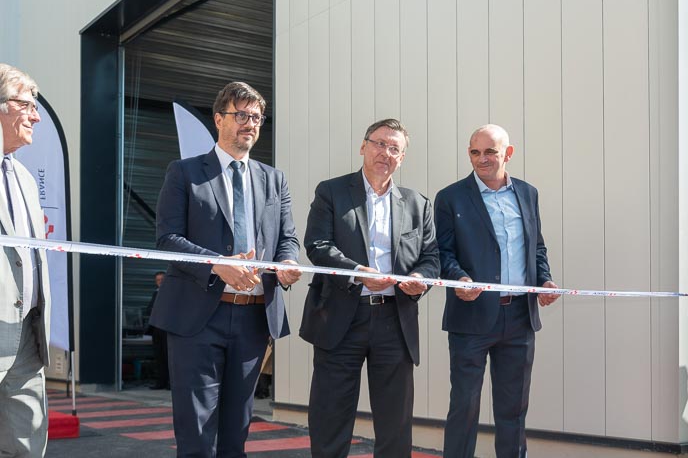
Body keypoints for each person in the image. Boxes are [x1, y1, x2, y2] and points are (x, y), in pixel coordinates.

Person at [149, 82, 301, 457]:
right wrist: (217, 265)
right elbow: (167, 238)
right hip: (198, 318)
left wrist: (287, 263)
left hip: (253, 319)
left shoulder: (274, 179)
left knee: (237, 431)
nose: (250, 123)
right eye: (241, 115)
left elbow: (287, 238)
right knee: (197, 432)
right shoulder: (184, 173)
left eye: (257, 117)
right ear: (219, 119)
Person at [301, 118, 440, 457]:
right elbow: (318, 245)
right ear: (363, 147)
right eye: (379, 144)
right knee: (330, 417)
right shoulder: (331, 191)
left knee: (395, 424)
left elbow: (431, 258)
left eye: (395, 148)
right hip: (340, 318)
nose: (386, 152)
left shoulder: (417, 204)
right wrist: (358, 272)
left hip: (395, 321)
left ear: (402, 157)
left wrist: (420, 281)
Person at [434, 124, 559, 458]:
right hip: (470, 316)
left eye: (490, 151)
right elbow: (443, 253)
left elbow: (537, 249)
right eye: (475, 152)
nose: (482, 159)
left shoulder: (528, 193)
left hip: (519, 317)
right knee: (464, 407)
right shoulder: (450, 197)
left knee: (513, 411)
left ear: (509, 153)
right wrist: (459, 278)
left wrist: (544, 280)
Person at [0, 64, 52, 457]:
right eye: (27, 105)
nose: (36, 116)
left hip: (26, 338)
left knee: (26, 445)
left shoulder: (26, 179)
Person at [145, 271, 168, 390]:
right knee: (159, 357)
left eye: (162, 279)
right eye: (158, 280)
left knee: (168, 356)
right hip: (157, 329)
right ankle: (161, 382)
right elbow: (149, 310)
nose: (160, 282)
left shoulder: (171, 292)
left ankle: (169, 383)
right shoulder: (156, 293)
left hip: (167, 329)